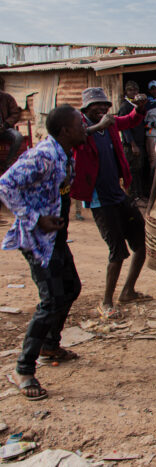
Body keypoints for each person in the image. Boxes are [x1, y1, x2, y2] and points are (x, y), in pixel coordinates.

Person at [0, 104, 87, 400]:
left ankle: (50, 345)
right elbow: (5, 184)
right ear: (65, 130)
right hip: (37, 239)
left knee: (71, 288)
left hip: (55, 238)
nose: (84, 128)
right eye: (80, 124)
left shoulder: (63, 153)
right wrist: (35, 218)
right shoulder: (44, 155)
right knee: (50, 299)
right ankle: (23, 369)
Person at [71, 87, 150, 320]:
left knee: (141, 243)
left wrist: (140, 108)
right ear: (86, 108)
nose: (102, 109)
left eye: (105, 105)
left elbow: (130, 120)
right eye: (96, 105)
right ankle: (106, 301)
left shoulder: (111, 123)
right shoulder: (80, 126)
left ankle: (128, 291)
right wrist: (99, 127)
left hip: (117, 193)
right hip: (99, 199)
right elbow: (77, 139)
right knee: (117, 252)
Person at [119, 81, 147, 203]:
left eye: (136, 90)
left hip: (140, 142)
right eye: (131, 90)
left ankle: (139, 195)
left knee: (139, 169)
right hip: (130, 145)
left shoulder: (138, 106)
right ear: (126, 92)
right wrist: (133, 144)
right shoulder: (125, 106)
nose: (134, 92)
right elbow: (125, 127)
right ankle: (132, 197)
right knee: (131, 171)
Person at [0, 84, 24, 173]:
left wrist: (6, 124)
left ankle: (8, 162)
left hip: (5, 129)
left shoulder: (7, 98)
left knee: (18, 137)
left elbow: (15, 113)